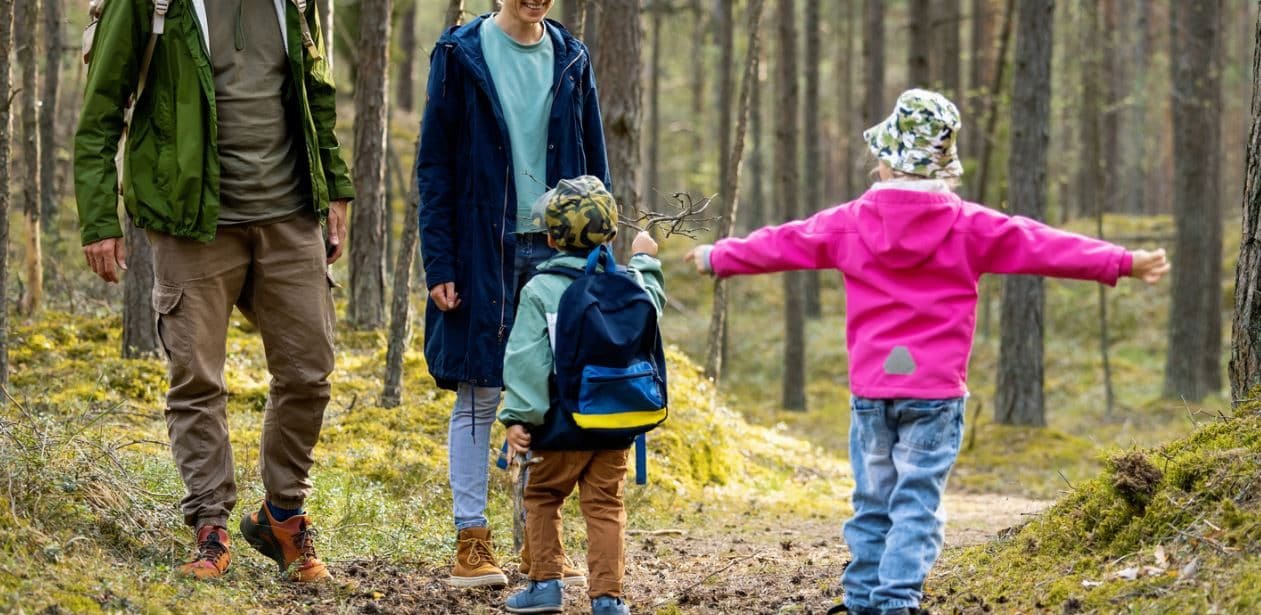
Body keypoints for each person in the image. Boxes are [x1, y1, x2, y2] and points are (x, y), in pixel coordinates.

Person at [684, 89, 1170, 615]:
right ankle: (896, 600)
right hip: (935, 394)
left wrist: (718, 256)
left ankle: (862, 600)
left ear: (889, 163)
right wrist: (1121, 261)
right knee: (916, 500)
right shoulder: (971, 226)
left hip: (873, 391)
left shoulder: (849, 221)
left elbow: (783, 242)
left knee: (872, 500)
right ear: (945, 167)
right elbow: (1042, 244)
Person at [74, 0, 354, 582]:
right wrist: (99, 217)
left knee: (309, 372)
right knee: (197, 379)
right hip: (190, 218)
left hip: (289, 212)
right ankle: (210, 526)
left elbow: (316, 91)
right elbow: (102, 108)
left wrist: (335, 186)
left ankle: (281, 516)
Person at [416, 0, 610, 588]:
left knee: (551, 392)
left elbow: (596, 170)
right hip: (481, 249)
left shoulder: (572, 57)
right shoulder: (459, 53)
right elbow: (434, 166)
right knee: (479, 388)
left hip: (561, 250)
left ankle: (539, 543)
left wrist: (599, 255)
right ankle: (471, 542)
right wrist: (440, 259)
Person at [498, 177, 664, 615]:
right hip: (616, 422)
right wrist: (646, 260)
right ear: (611, 235)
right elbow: (653, 305)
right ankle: (608, 598)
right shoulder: (628, 282)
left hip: (560, 424)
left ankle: (545, 585)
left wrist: (519, 417)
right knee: (606, 506)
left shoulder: (541, 290)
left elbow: (527, 360)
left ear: (551, 238)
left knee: (543, 498)